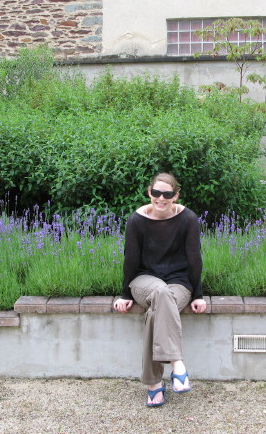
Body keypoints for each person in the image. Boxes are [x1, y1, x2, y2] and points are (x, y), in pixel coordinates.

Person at [113, 173, 207, 407]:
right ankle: (177, 364)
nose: (161, 198)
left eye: (167, 194)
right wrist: (125, 294)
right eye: (156, 193)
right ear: (149, 192)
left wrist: (197, 295)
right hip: (144, 280)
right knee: (160, 293)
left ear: (176, 195)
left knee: (159, 306)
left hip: (179, 283)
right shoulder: (137, 220)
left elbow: (194, 259)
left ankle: (154, 384)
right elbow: (130, 259)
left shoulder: (188, 219)